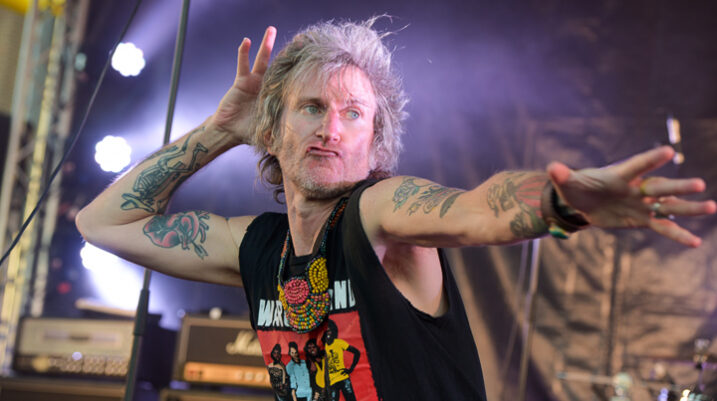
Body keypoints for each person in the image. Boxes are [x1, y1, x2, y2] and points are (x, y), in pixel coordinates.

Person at [75, 18, 716, 401]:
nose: (331, 129)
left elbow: (477, 211)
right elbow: (101, 223)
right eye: (311, 107)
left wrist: (561, 202)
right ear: (271, 130)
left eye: (353, 113)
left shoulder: (377, 214)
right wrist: (219, 129)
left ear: (374, 143)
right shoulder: (259, 248)